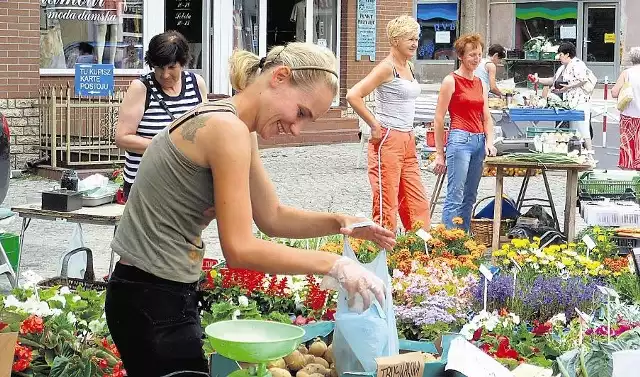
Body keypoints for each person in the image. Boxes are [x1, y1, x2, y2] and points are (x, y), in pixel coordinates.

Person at [104, 42, 396, 377]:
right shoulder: (226, 129)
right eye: (301, 112)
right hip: (151, 297)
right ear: (280, 77)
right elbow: (240, 249)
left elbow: (271, 217)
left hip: (152, 294)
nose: (297, 129)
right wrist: (335, 265)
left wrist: (340, 221)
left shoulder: (236, 127)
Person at [346, 15, 430, 233]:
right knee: (387, 199)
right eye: (409, 39)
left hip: (408, 137)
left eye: (416, 38)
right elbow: (353, 95)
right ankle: (383, 252)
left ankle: (420, 248)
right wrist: (374, 125)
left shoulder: (409, 66)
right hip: (389, 137)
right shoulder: (386, 68)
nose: (415, 43)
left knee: (416, 199)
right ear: (395, 41)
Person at [115, 30, 208, 200]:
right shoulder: (141, 88)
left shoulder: (196, 84)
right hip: (146, 186)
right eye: (159, 67)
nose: (165, 75)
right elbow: (122, 138)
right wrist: (168, 146)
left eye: (172, 67)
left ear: (183, 63)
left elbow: (204, 130)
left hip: (185, 185)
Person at [433, 33, 497, 231]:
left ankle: (463, 238)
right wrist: (439, 154)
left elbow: (486, 116)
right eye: (472, 55)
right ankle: (448, 239)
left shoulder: (480, 83)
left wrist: (490, 141)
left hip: (479, 140)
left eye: (479, 54)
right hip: (459, 138)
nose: (476, 59)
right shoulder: (451, 81)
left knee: (470, 195)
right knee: (455, 194)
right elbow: (439, 117)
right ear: (461, 56)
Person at [531, 42, 593, 151]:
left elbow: (583, 79)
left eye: (560, 54)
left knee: (583, 129)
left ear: (567, 54)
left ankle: (590, 154)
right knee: (574, 131)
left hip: (581, 102)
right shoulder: (562, 68)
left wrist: (568, 87)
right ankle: (578, 153)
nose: (559, 57)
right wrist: (538, 80)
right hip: (570, 103)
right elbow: (553, 80)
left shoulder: (578, 64)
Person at [612, 47, 640, 170]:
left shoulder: (627, 73)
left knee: (628, 146)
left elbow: (614, 92)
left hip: (629, 116)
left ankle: (629, 172)